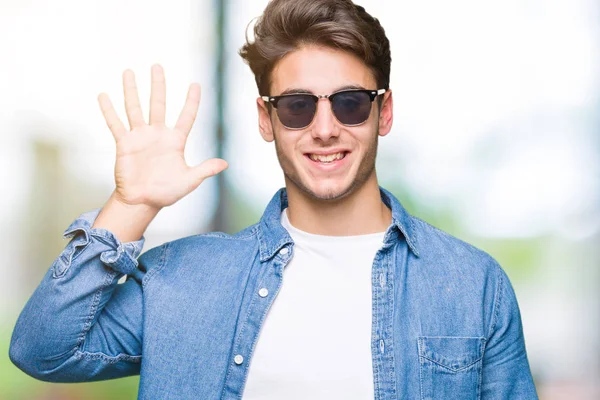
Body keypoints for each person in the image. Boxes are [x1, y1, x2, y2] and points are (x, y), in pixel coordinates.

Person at [9, 0, 539, 398]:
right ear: (267, 119)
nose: (325, 129)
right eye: (297, 107)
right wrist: (132, 205)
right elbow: (41, 351)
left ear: (386, 111)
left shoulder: (472, 285)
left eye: (351, 103)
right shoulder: (182, 279)